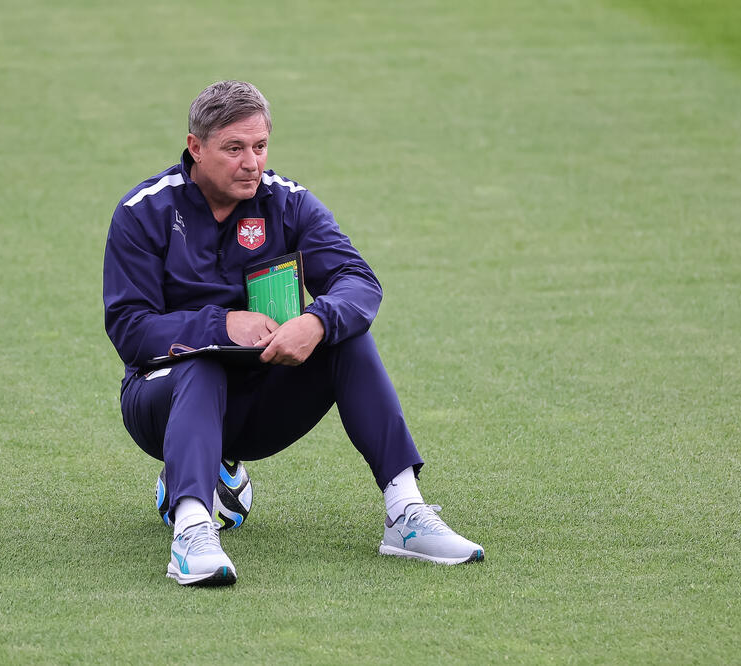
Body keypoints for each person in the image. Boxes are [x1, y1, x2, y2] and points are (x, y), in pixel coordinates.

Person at [103, 80, 483, 587]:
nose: (251, 163)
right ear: (195, 147)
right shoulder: (143, 211)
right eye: (234, 148)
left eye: (260, 146)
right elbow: (129, 327)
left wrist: (316, 320)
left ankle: (405, 513)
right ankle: (191, 531)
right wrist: (222, 324)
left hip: (261, 402)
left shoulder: (287, 202)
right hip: (161, 400)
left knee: (346, 336)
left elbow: (358, 281)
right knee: (203, 360)